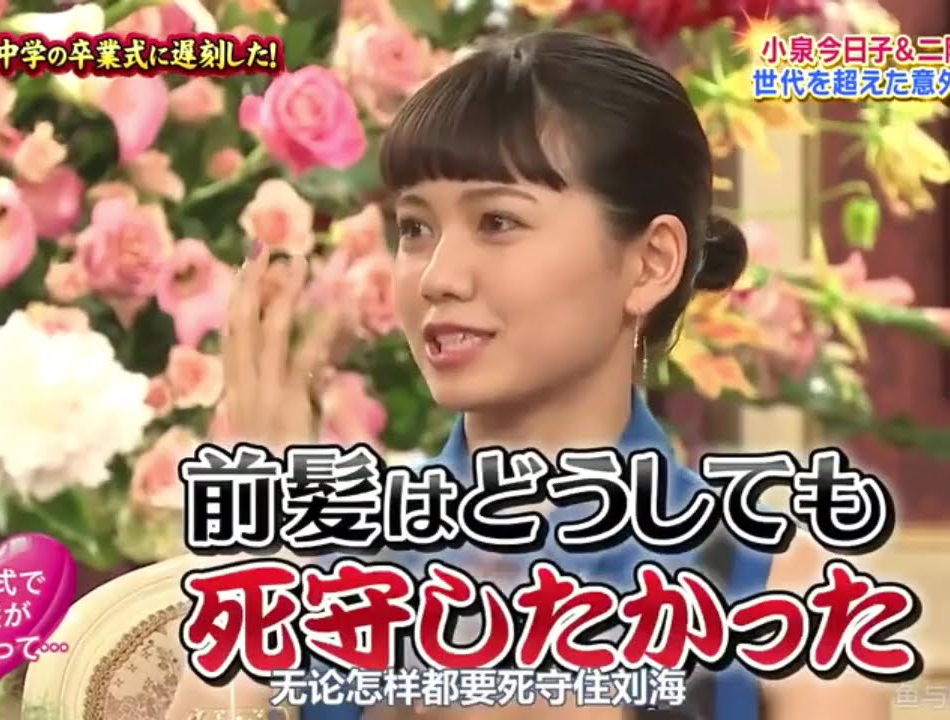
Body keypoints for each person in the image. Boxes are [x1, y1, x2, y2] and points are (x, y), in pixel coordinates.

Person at [166, 29, 889, 720]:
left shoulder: (776, 590)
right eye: (415, 228)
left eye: (498, 222)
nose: (437, 277)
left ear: (651, 263)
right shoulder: (336, 561)